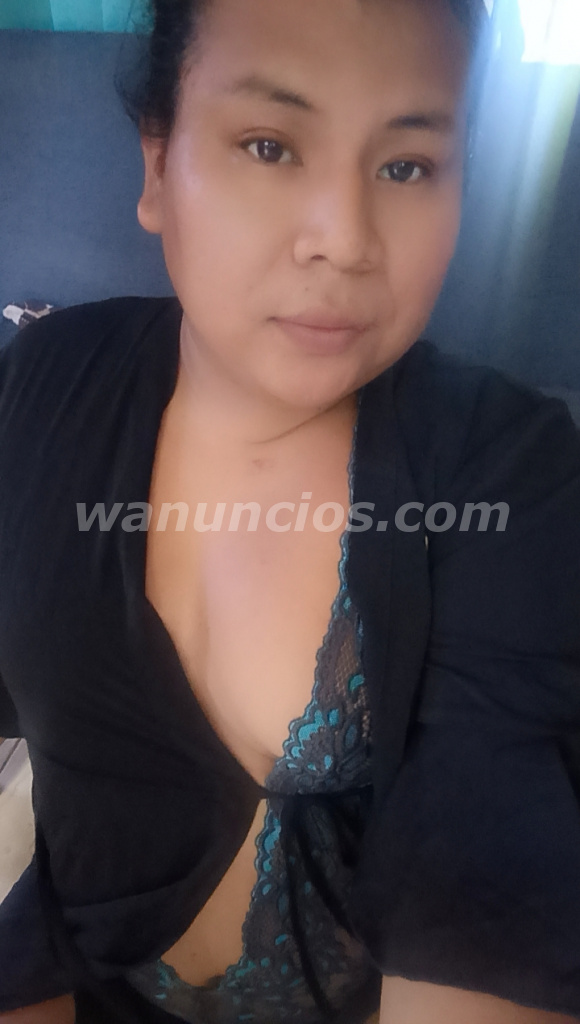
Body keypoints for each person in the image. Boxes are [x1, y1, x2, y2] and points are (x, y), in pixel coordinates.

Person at [0, 0, 579, 1021]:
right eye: (269, 145)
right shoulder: (45, 381)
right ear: (158, 166)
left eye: (407, 166)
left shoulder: (508, 470)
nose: (345, 241)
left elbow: (487, 903)